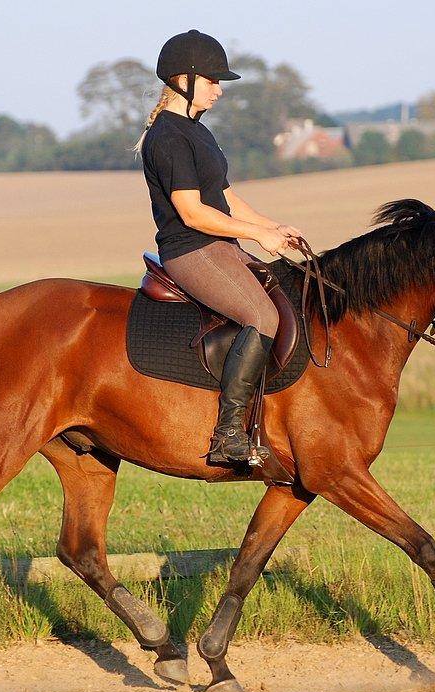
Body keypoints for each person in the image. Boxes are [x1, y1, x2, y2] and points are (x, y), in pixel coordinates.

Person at [135, 29, 303, 464]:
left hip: (219, 245)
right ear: (183, 80)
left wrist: (274, 227)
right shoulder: (167, 137)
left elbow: (225, 197)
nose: (219, 91)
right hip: (191, 250)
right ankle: (228, 434)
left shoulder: (197, 131)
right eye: (212, 81)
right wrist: (257, 236)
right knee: (261, 315)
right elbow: (192, 213)